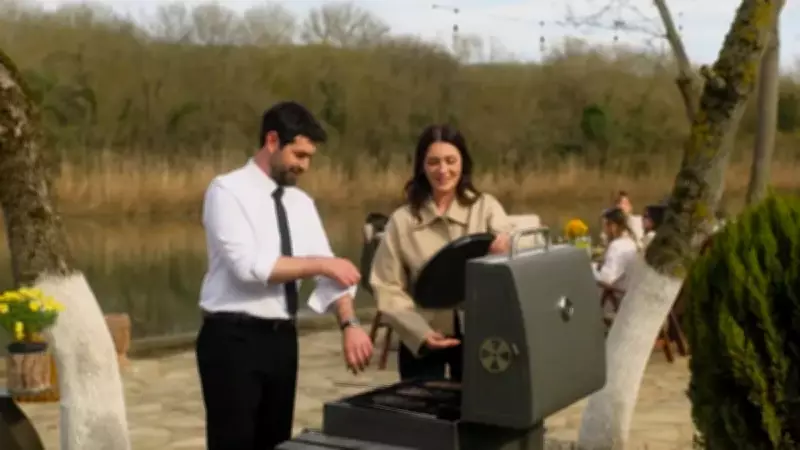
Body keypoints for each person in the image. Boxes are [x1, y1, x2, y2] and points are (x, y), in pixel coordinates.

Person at [195, 101, 374, 450]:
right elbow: (248, 267)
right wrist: (322, 265)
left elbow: (330, 270)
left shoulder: (301, 203)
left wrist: (349, 323)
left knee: (278, 445)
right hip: (232, 339)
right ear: (272, 141)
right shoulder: (226, 191)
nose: (304, 166)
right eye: (299, 155)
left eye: (309, 157)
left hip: (282, 341)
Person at [369, 124, 513, 382]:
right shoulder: (402, 220)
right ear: (422, 166)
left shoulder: (486, 208)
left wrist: (506, 249)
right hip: (422, 340)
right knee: (422, 406)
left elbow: (519, 252)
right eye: (433, 162)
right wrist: (419, 333)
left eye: (450, 161)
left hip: (481, 337)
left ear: (463, 163)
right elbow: (387, 286)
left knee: (480, 405)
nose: (443, 170)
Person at [594, 207, 640, 291]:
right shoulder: (630, 242)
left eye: (605, 227)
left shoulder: (617, 246)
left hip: (615, 294)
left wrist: (589, 271)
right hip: (625, 290)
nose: (604, 231)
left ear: (613, 226)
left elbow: (606, 279)